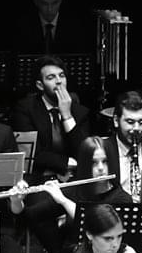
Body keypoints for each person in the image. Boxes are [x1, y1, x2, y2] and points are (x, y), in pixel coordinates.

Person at [10, 55, 91, 183]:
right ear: (40, 85)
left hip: (74, 179)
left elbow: (85, 152)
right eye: (51, 77)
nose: (59, 81)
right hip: (38, 179)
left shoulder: (80, 112)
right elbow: (31, 153)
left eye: (62, 76)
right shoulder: (25, 109)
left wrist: (67, 116)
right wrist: (66, 162)